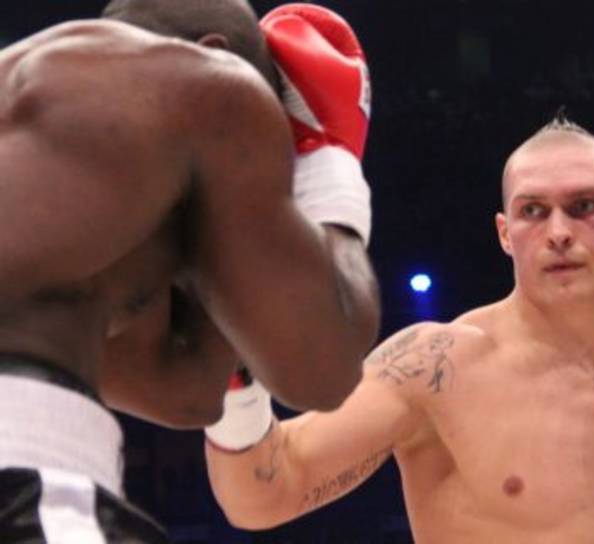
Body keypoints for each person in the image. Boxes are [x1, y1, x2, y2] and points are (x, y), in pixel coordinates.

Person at [205, 117, 594, 542]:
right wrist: (231, 368)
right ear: (504, 233)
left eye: (584, 206)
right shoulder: (436, 366)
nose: (559, 232)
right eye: (533, 211)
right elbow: (263, 496)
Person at [0, 0, 379, 541]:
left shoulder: (61, 180)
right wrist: (327, 158)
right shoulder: (207, 85)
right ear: (214, 57)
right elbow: (321, 367)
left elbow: (188, 391)